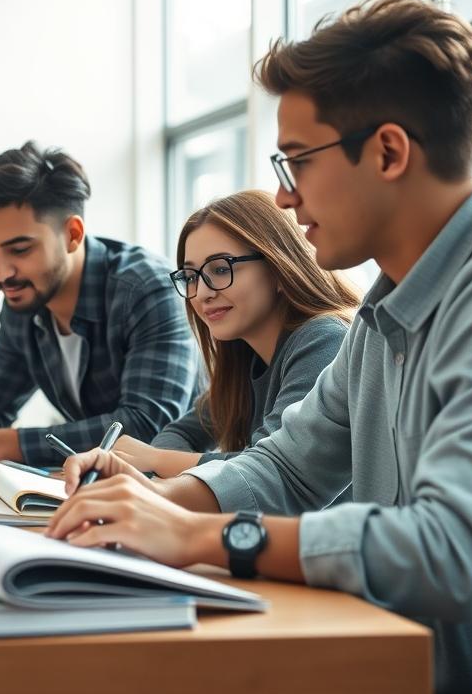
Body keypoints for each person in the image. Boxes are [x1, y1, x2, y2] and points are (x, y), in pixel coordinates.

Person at [48, 0, 472, 694]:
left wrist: (201, 536)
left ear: (388, 151)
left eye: (297, 162)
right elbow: (288, 468)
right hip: (408, 669)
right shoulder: (391, 308)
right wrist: (153, 504)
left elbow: (453, 552)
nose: (283, 198)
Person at [0, 141, 199, 466]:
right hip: (97, 483)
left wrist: (3, 444)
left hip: (183, 486)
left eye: (20, 250)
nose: (0, 273)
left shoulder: (146, 289)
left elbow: (146, 427)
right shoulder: (24, 300)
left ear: (72, 234)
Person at [112, 190, 357, 478]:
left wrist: (156, 459)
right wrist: (159, 459)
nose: (201, 293)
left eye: (220, 269)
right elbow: (179, 433)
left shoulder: (325, 339)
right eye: (191, 277)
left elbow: (273, 469)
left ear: (279, 268)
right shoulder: (245, 357)